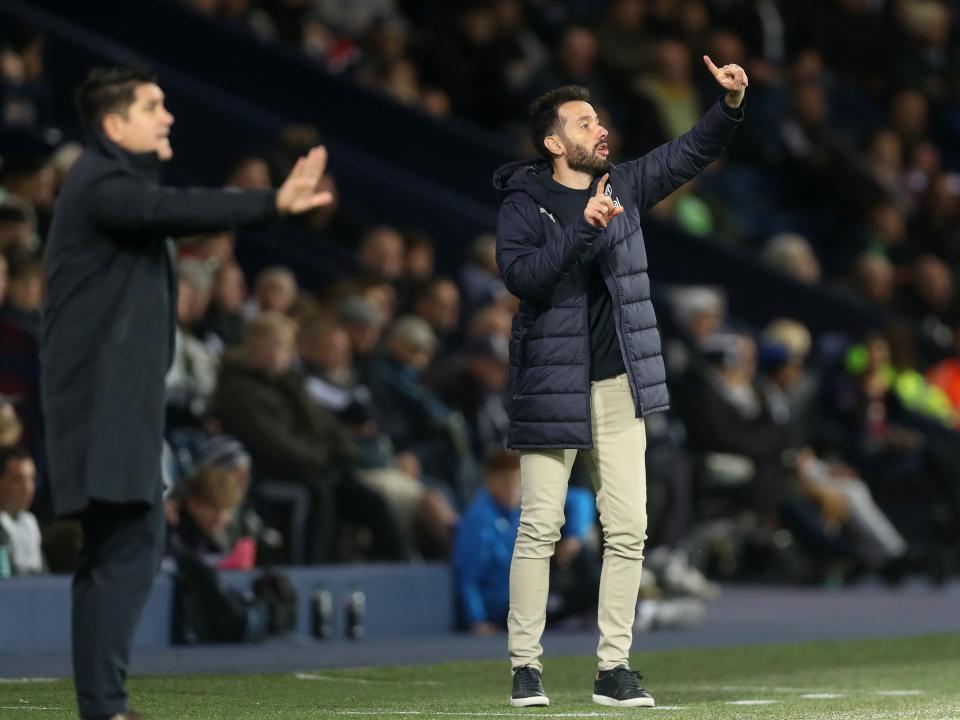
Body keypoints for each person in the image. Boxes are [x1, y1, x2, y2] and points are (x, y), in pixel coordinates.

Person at [40, 65, 334, 720]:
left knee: (119, 547)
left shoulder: (110, 183)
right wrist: (269, 203)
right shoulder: (102, 182)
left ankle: (104, 706)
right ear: (115, 125)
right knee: (129, 543)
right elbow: (169, 211)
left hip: (112, 403)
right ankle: (106, 706)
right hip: (101, 405)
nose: (168, 116)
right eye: (152, 106)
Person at [494, 56, 747, 708]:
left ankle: (614, 667)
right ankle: (526, 665)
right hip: (552, 382)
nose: (599, 129)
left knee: (628, 528)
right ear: (554, 142)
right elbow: (524, 278)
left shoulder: (625, 183)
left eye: (599, 119)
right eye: (584, 122)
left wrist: (729, 106)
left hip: (617, 383)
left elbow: (690, 153)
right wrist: (584, 227)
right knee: (541, 527)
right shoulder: (525, 202)